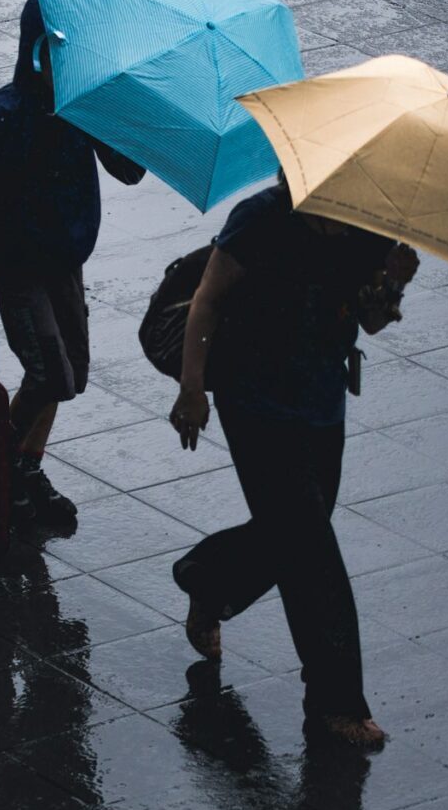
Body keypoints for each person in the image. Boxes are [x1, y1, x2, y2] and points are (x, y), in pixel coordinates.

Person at [168, 176, 418, 749]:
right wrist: (192, 387)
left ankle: (208, 578)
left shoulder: (364, 224)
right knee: (312, 554)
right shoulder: (259, 218)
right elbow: (208, 300)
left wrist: (394, 284)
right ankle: (336, 702)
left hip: (321, 402)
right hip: (254, 403)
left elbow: (371, 318)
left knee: (295, 533)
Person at [0, 0, 145, 526]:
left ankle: (24, 467)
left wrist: (125, 116)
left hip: (64, 261)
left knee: (70, 375)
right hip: (18, 266)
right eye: (56, 52)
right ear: (36, 51)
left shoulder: (82, 110)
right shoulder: (0, 116)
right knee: (49, 374)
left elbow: (129, 170)